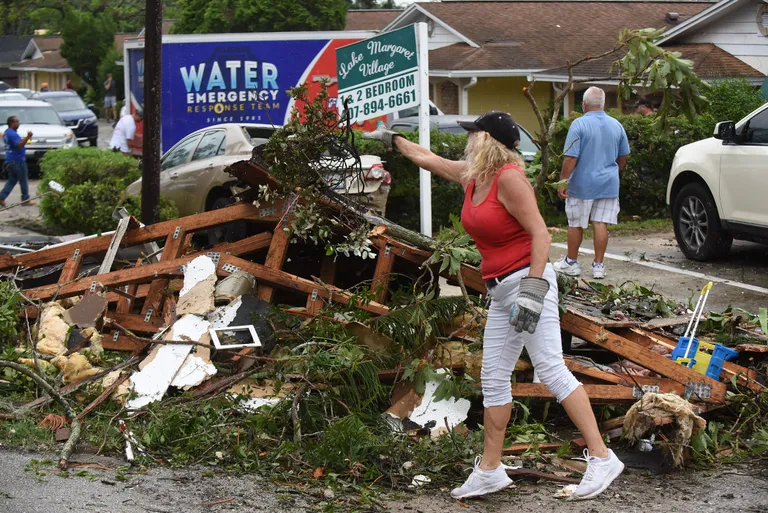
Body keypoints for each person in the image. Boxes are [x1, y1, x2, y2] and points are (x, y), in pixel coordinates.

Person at [363, 112, 624, 501]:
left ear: (489, 139)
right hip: (501, 292)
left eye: (474, 133)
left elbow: (540, 235)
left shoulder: (509, 179)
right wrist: (390, 140)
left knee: (551, 369)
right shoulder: (475, 176)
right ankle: (489, 470)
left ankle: (602, 458)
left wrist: (533, 292)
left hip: (527, 284)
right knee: (494, 377)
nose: (468, 139)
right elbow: (428, 159)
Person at [554, 87, 630, 279]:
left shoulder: (578, 124)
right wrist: (615, 171)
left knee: (576, 223)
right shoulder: (616, 125)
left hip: (582, 183)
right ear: (603, 104)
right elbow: (624, 155)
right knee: (600, 223)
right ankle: (598, 266)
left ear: (584, 104)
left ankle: (571, 263)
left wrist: (562, 181)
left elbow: (570, 157)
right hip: (608, 183)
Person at [0, 116, 35, 207]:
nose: (18, 123)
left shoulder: (8, 132)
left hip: (10, 160)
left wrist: (26, 139)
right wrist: (28, 136)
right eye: (17, 121)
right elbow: (18, 145)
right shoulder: (12, 134)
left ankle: (1, 197)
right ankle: (25, 199)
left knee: (12, 180)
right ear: (12, 123)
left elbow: (18, 142)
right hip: (17, 160)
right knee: (23, 179)